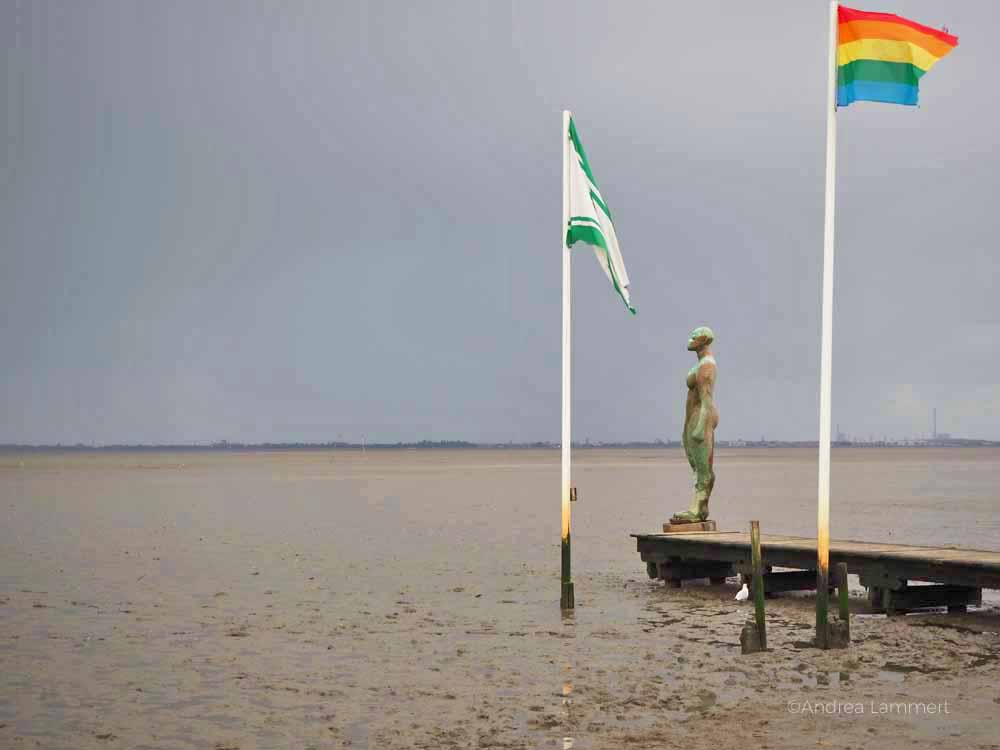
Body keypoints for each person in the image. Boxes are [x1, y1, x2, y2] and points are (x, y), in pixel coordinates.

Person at [672, 326, 719, 523]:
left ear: (704, 341)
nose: (690, 339)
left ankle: (698, 507)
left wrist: (700, 427)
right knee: (696, 463)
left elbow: (706, 399)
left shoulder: (706, 365)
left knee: (702, 465)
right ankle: (701, 507)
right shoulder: (700, 364)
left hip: (702, 416)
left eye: (695, 337)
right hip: (693, 418)